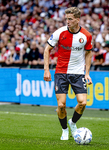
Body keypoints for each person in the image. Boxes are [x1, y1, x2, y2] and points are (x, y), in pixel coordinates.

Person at [43, 7, 93, 140]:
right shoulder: (60, 33)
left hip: (78, 73)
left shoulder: (86, 35)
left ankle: (72, 123)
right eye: (66, 19)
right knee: (61, 105)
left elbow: (88, 53)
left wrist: (87, 73)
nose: (68, 21)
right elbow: (47, 49)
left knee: (82, 103)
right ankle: (64, 130)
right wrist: (46, 69)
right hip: (61, 72)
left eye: (70, 19)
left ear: (77, 19)